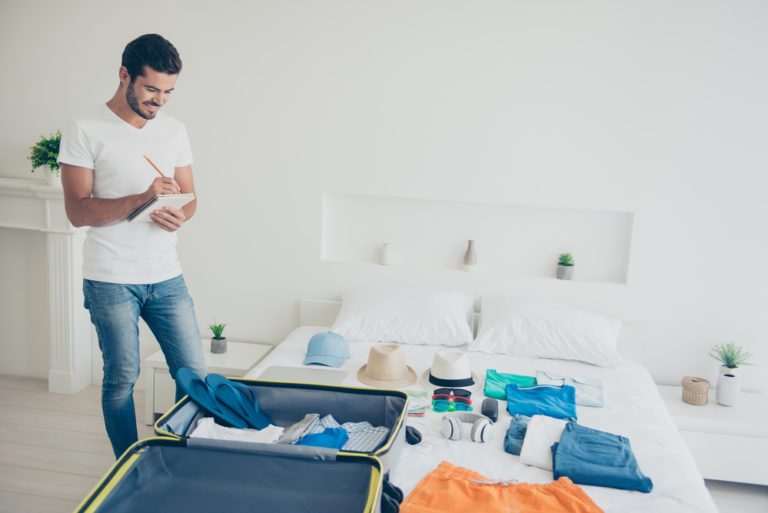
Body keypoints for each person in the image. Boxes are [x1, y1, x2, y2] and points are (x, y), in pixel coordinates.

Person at [57, 34, 207, 458]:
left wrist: (181, 213)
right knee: (122, 376)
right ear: (125, 75)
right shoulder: (85, 129)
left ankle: (183, 457)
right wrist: (142, 198)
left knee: (194, 373)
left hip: (166, 275)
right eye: (151, 89)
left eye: (168, 92)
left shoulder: (174, 130)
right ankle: (129, 465)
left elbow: (192, 198)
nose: (159, 101)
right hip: (110, 278)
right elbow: (78, 211)